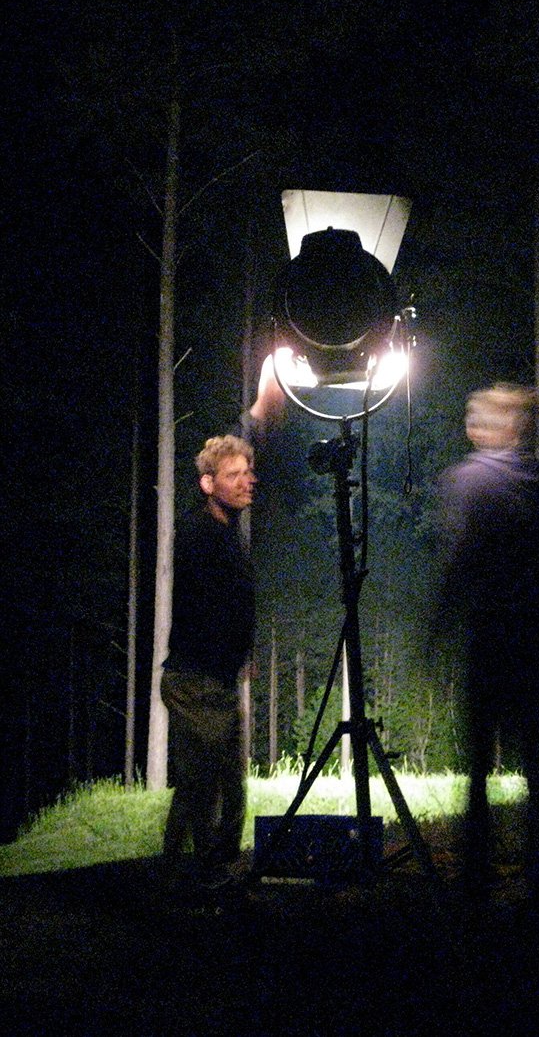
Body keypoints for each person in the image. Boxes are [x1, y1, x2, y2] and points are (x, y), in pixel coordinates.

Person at [434, 384, 539, 894]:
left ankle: (476, 874)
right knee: (530, 758)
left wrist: (438, 631)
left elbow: (459, 562)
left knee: (477, 762)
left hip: (489, 639)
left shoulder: (468, 482)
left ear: (486, 428)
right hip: (532, 642)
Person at [161, 359, 284, 892]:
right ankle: (182, 874)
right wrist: (229, 654)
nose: (247, 481)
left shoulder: (223, 524)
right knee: (200, 782)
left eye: (248, 473)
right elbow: (212, 611)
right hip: (195, 680)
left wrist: (258, 410)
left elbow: (239, 440)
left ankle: (213, 868)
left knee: (228, 782)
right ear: (208, 484)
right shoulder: (199, 534)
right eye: (235, 476)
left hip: (216, 678)